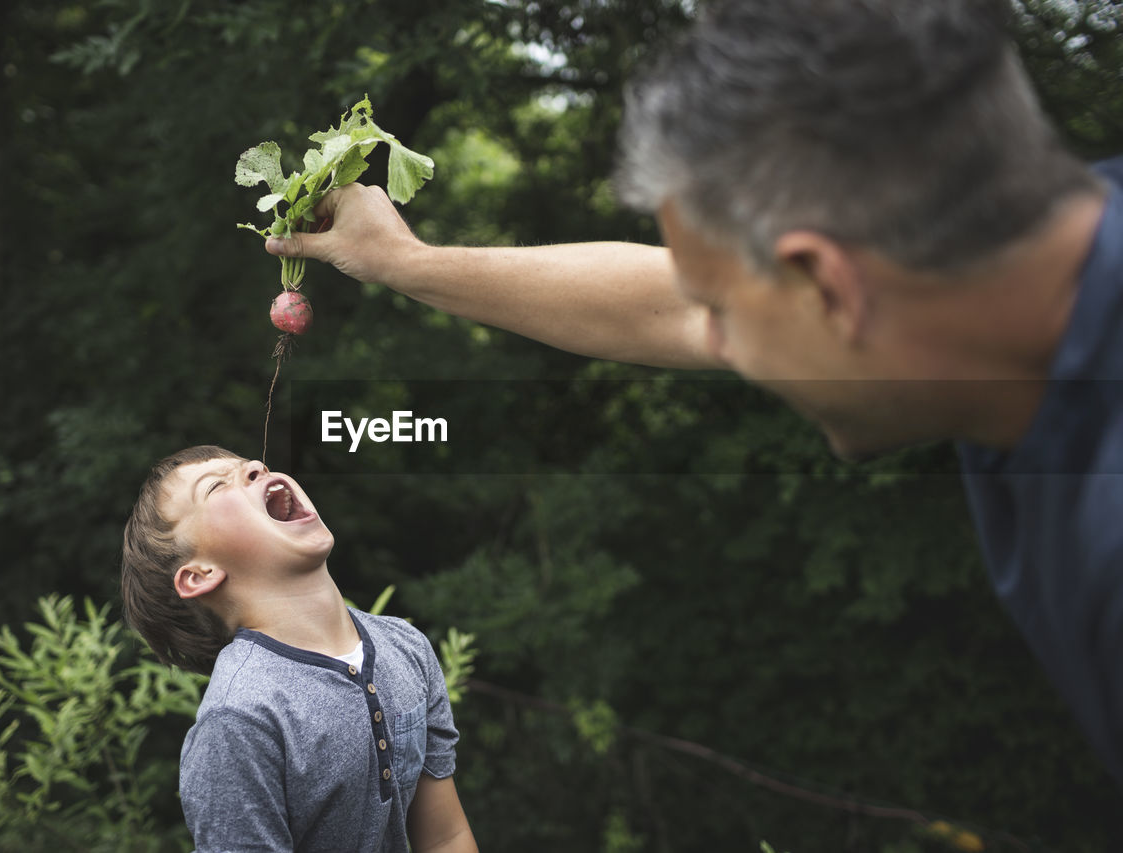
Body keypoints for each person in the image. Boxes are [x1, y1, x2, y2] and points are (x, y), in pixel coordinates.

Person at [262, 0, 1123, 787]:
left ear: (828, 286)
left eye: (722, 312)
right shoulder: (1017, 269)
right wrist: (405, 263)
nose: (705, 338)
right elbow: (665, 299)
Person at [120, 445, 477, 852]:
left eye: (249, 466)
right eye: (216, 486)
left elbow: (446, 838)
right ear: (200, 575)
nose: (255, 468)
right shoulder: (239, 719)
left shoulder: (406, 646)